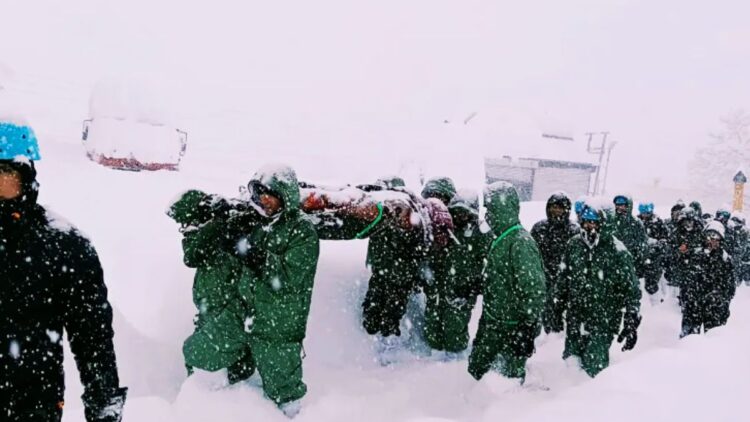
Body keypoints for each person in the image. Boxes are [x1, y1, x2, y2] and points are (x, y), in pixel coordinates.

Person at [0, 121, 127, 421]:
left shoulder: (64, 246)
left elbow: (92, 335)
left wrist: (104, 401)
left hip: (30, 405)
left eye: (4, 175)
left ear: (26, 175)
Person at [235, 165, 320, 416]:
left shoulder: (302, 230)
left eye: (269, 194)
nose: (263, 200)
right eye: (258, 194)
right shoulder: (260, 222)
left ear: (284, 195)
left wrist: (258, 256)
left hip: (280, 322)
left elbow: (290, 277)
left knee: (284, 390)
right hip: (251, 315)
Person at [167, 190, 260, 384]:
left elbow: (194, 257)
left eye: (187, 223)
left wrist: (218, 223)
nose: (185, 229)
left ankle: (227, 389)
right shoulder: (205, 238)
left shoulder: (225, 237)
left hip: (231, 317)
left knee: (196, 353)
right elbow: (193, 254)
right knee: (196, 354)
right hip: (213, 315)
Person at [468, 182, 546, 382]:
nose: (488, 215)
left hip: (512, 328)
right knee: (478, 372)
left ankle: (508, 412)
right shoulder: (501, 238)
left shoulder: (520, 242)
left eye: (491, 209)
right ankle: (473, 410)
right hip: (493, 322)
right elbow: (501, 275)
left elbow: (533, 289)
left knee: (506, 382)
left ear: (504, 208)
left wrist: (527, 328)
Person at [554, 204, 641, 377]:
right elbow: (563, 277)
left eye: (594, 223)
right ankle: (566, 400)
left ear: (604, 224)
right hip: (576, 317)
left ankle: (593, 399)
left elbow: (631, 289)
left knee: (594, 367)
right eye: (586, 222)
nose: (589, 226)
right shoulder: (574, 244)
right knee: (571, 363)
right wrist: (558, 305)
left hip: (604, 319)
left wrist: (631, 319)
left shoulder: (617, 251)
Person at [423, 189, 489, 355]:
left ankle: (454, 360)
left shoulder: (480, 233)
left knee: (455, 325)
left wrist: (476, 284)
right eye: (457, 212)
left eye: (464, 213)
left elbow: (488, 262)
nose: (460, 216)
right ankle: (433, 358)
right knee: (433, 322)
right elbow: (429, 254)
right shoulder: (443, 228)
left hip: (462, 290)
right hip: (439, 286)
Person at [531, 192, 579, 333]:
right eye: (553, 207)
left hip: (564, 280)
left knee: (559, 317)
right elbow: (532, 253)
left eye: (560, 208)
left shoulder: (574, 231)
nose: (557, 211)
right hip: (541, 277)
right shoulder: (539, 228)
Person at [680, 222, 736, 337]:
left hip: (715, 308)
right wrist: (687, 298)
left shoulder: (725, 260)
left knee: (714, 342)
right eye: (709, 236)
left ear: (721, 240)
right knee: (688, 340)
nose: (711, 241)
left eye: (716, 238)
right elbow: (685, 278)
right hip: (693, 306)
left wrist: (721, 302)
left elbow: (730, 287)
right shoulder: (695, 255)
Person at [612, 195, 649, 279]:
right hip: (612, 262)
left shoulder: (636, 223)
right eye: (617, 205)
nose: (620, 208)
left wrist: (640, 263)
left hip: (630, 264)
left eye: (622, 205)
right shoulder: (610, 221)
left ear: (628, 206)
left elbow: (642, 245)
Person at [637, 202, 670, 295]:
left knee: (652, 278)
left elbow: (665, 239)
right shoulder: (636, 221)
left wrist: (656, 246)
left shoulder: (658, 222)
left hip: (654, 256)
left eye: (647, 212)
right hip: (639, 255)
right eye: (643, 212)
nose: (644, 215)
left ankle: (654, 297)